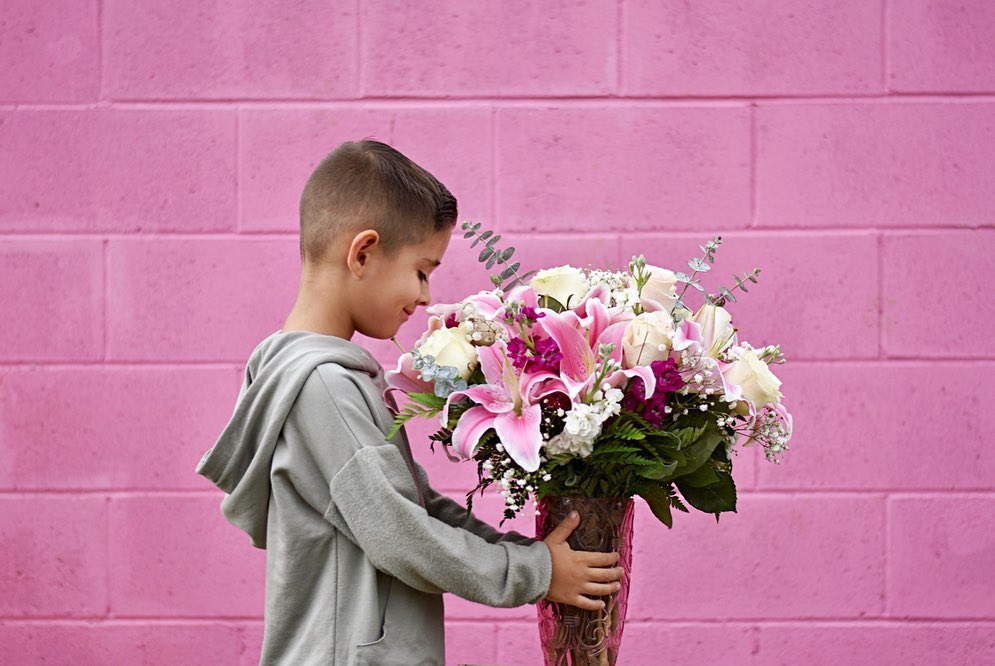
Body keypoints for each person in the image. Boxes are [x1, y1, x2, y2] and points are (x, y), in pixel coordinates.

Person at [196, 140, 622, 665]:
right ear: (363, 253)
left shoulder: (321, 380)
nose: (425, 295)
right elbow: (399, 535)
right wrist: (534, 572)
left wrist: (531, 557)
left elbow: (416, 508)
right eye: (422, 269)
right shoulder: (322, 387)